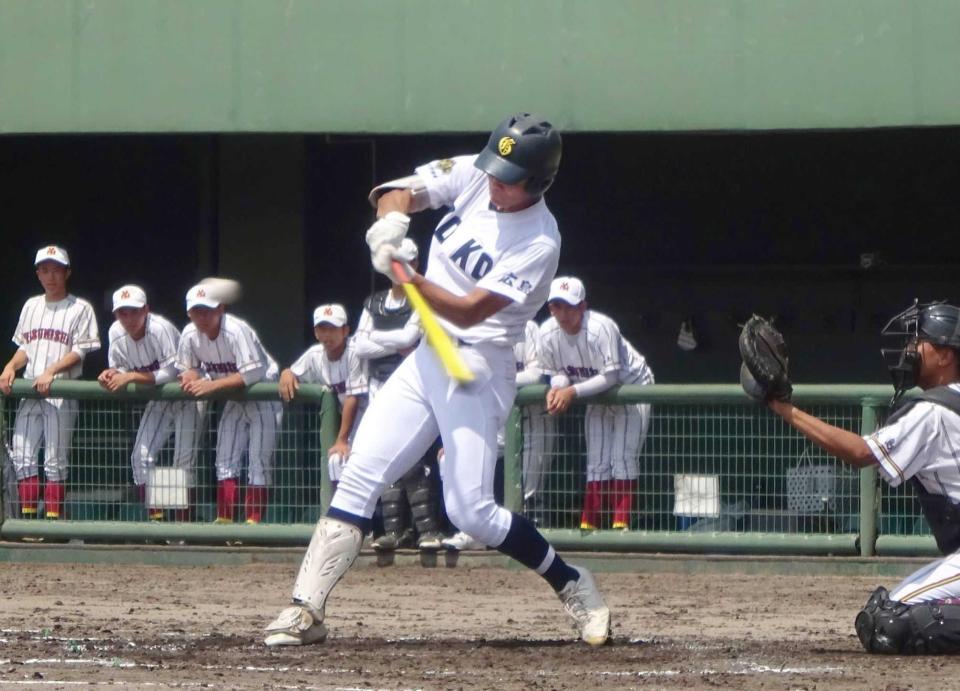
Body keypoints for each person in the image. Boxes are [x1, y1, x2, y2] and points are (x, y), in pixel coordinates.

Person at [264, 112, 611, 647]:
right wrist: (391, 225)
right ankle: (305, 609)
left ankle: (572, 582)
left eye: (508, 176)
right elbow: (395, 190)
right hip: (430, 355)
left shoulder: (540, 241)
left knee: (470, 512)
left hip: (477, 368)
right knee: (359, 473)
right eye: (494, 166)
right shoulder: (480, 171)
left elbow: (471, 311)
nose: (493, 180)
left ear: (538, 182)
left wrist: (405, 272)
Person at [760, 300, 960, 655]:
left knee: (888, 622)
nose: (909, 349)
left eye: (919, 341)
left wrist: (784, 408)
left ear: (945, 355)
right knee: (888, 614)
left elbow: (859, 453)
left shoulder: (933, 411)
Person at [538, 276, 655, 531]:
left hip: (631, 387)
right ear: (550, 308)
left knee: (622, 458)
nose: (564, 313)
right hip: (591, 390)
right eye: (558, 306)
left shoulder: (601, 327)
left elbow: (610, 376)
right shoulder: (546, 333)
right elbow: (558, 371)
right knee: (596, 460)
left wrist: (570, 391)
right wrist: (557, 387)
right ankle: (589, 526)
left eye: (570, 306)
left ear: (583, 307)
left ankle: (620, 526)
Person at [353, 240, 445, 552]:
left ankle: (427, 529)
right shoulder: (374, 302)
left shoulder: (425, 297)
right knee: (384, 455)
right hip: (379, 383)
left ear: (416, 262)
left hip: (414, 385)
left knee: (415, 458)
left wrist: (377, 339)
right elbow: (358, 346)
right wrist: (395, 343)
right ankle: (392, 531)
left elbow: (411, 337)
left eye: (406, 262)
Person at [0, 245, 100, 519]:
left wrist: (52, 371)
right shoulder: (31, 305)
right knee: (22, 457)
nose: (50, 276)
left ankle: (54, 523)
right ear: (38, 274)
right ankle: (30, 522)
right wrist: (10, 366)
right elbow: (24, 348)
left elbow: (80, 351)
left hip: (61, 391)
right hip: (31, 389)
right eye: (45, 270)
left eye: (56, 270)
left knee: (54, 461)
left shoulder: (81, 307)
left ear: (67, 272)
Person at [176, 283, 281, 524]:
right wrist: (192, 373)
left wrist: (210, 386)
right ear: (189, 313)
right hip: (234, 396)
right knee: (224, 458)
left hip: (261, 393)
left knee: (258, 462)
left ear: (220, 309)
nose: (202, 317)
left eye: (208, 310)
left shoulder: (236, 330)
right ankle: (225, 521)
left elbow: (252, 374)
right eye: (197, 311)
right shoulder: (190, 335)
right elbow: (189, 368)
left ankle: (252, 524)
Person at [97, 285, 204, 521]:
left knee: (182, 463)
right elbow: (121, 367)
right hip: (160, 397)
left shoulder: (160, 328)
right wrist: (111, 373)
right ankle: (157, 523)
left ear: (145, 309)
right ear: (116, 314)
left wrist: (131, 377)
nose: (128, 318)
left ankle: (183, 528)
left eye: (134, 311)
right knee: (140, 457)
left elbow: (173, 371)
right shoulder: (115, 331)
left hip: (185, 395)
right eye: (122, 312)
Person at [442, 318, 548, 550]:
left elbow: (536, 373)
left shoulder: (528, 327)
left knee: (527, 488)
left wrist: (498, 379)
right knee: (467, 471)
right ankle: (470, 533)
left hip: (526, 419)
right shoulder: (467, 327)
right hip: (487, 415)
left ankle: (524, 539)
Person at [279, 304, 368, 493]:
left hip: (369, 417)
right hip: (349, 424)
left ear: (345, 331)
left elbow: (353, 399)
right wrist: (286, 372)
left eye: (333, 329)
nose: (327, 335)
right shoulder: (314, 355)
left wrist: (341, 439)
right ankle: (341, 514)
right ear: (316, 332)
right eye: (322, 329)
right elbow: (292, 372)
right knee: (337, 462)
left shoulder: (355, 351)